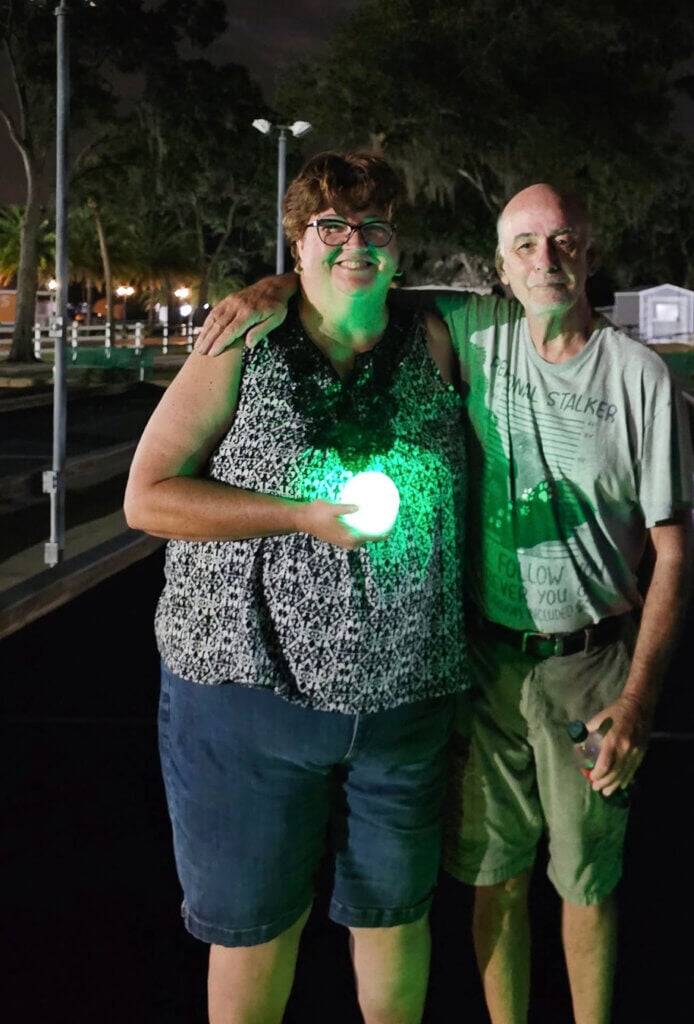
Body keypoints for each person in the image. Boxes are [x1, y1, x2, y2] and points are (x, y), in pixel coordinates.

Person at [194, 182, 694, 1024]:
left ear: (591, 254)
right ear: (499, 266)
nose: (547, 259)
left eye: (564, 241)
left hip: (588, 667)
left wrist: (637, 698)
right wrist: (272, 286)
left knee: (583, 881)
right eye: (526, 245)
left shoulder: (638, 376)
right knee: (492, 877)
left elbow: (675, 551)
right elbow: (357, 278)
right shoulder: (478, 335)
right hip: (484, 661)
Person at [124, 150, 468, 1024]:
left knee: (395, 920)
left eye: (375, 226)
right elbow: (148, 497)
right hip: (245, 697)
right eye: (331, 226)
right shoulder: (244, 338)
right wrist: (300, 514)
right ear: (298, 240)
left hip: (405, 699)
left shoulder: (434, 338)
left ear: (396, 244)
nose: (356, 242)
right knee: (253, 932)